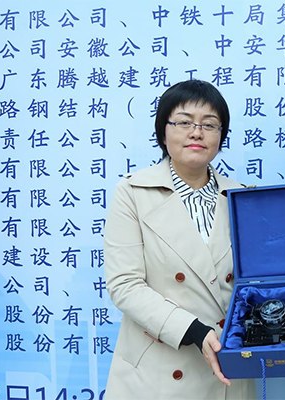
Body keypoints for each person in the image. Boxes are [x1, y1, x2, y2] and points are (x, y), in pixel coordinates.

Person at [104, 80, 255, 400]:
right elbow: (124, 285)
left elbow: (255, 283)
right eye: (184, 122)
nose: (197, 133)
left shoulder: (241, 197)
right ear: (163, 132)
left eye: (209, 124)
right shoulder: (132, 193)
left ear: (221, 136)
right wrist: (193, 330)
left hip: (227, 368)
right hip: (159, 370)